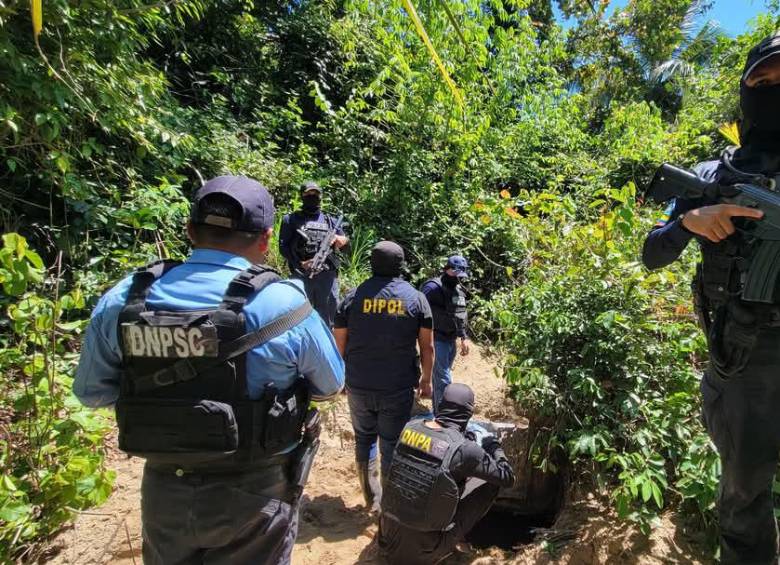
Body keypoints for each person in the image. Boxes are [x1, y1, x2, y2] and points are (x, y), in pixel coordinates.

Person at [73, 175, 345, 565]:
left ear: (189, 230)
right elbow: (331, 384)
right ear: (267, 239)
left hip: (165, 486)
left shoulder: (126, 299)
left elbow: (92, 393)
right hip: (256, 490)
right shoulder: (284, 304)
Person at [642, 33, 780, 565]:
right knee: (744, 499)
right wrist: (689, 222)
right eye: (762, 81)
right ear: (745, 89)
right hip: (742, 360)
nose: (773, 91)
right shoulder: (713, 175)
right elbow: (652, 252)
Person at [333, 240, 435, 512]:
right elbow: (428, 347)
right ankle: (389, 506)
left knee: (364, 438)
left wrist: (340, 377)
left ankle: (371, 499)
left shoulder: (352, 298)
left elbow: (338, 344)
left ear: (372, 263)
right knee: (391, 443)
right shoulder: (416, 298)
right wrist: (426, 380)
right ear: (401, 265)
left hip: (358, 383)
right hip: (397, 386)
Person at [377, 383, 515, 564]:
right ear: (468, 414)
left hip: (387, 539)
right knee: (491, 483)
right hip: (422, 553)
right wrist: (492, 444)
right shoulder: (465, 450)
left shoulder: (410, 427)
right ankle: (447, 544)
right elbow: (507, 477)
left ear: (441, 406)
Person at [279, 181, 349, 327]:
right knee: (298, 321)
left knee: (328, 322)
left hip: (327, 278)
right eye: (308, 193)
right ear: (302, 196)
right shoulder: (291, 220)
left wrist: (343, 240)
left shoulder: (331, 222)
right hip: (301, 276)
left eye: (315, 193)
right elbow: (283, 248)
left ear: (320, 196)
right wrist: (300, 264)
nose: (312, 196)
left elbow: (346, 249)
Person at [421, 255, 471, 413]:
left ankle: (438, 410)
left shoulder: (459, 290)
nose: (457, 278)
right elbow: (419, 310)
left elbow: (461, 314)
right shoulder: (433, 287)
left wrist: (464, 337)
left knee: (441, 376)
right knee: (443, 379)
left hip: (450, 340)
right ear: (446, 269)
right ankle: (442, 415)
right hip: (435, 339)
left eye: (460, 275)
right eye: (454, 273)